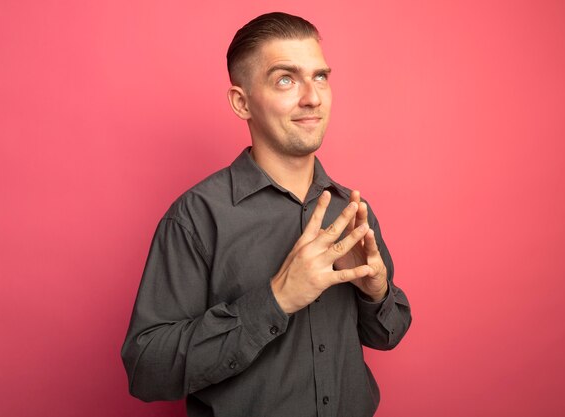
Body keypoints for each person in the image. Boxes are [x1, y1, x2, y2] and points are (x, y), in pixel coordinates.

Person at [121, 12, 411, 417]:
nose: (312, 97)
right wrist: (276, 300)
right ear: (242, 103)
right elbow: (146, 369)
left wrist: (376, 292)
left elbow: (387, 334)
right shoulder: (196, 217)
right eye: (286, 79)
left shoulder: (350, 210)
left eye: (321, 76)